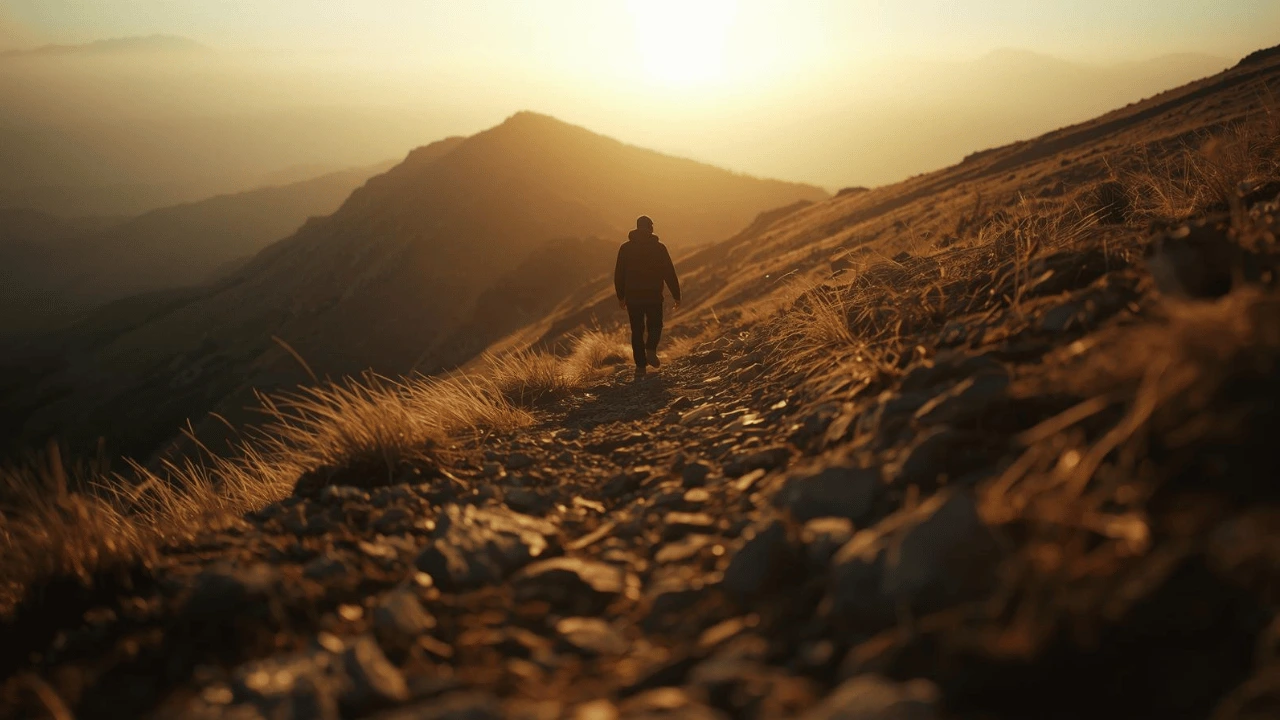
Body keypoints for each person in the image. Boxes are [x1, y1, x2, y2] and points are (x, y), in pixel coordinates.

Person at [614, 215, 681, 380]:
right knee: (656, 325)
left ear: (637, 228)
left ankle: (640, 368)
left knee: (637, 331)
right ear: (651, 229)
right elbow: (669, 273)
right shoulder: (659, 248)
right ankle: (651, 349)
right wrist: (676, 295)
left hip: (633, 297)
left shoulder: (625, 248)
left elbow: (619, 274)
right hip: (653, 296)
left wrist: (621, 296)